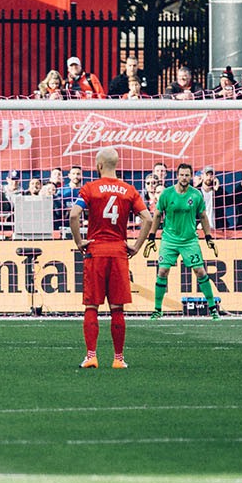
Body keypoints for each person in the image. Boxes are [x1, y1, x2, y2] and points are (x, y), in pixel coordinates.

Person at [69, 148, 152, 369]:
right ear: (116, 165)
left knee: (91, 306)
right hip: (118, 253)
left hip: (95, 252)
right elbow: (148, 218)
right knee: (117, 308)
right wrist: (136, 245)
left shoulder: (90, 188)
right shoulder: (128, 189)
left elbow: (74, 214)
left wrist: (79, 241)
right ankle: (118, 359)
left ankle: (91, 356)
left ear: (98, 165)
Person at [143, 163, 219, 320]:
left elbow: (203, 216)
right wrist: (151, 236)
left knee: (200, 271)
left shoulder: (196, 195)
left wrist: (208, 237)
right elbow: (157, 215)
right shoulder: (167, 194)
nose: (184, 178)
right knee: (162, 271)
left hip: (189, 240)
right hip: (169, 240)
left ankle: (212, 308)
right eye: (182, 175)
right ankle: (157, 309)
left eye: (187, 175)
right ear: (177, 176)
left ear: (191, 176)